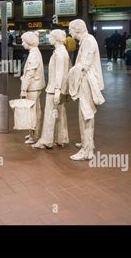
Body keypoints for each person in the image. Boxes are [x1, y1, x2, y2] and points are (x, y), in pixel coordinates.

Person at [68, 19, 105, 161]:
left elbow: (84, 65)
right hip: (85, 82)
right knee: (83, 115)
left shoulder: (89, 41)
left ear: (77, 29)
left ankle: (87, 150)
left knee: (86, 115)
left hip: (87, 83)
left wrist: (71, 73)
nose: (69, 31)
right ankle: (86, 143)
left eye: (70, 29)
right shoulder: (85, 41)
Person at [32, 29, 70, 149]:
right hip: (60, 88)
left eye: (51, 36)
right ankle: (62, 138)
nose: (49, 38)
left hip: (55, 89)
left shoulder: (59, 53)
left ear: (56, 38)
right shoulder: (63, 51)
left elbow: (60, 73)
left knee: (50, 114)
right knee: (60, 113)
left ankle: (46, 140)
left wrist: (57, 90)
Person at [20, 31, 45, 144]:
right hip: (36, 85)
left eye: (23, 41)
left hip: (33, 87)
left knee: (33, 112)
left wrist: (23, 89)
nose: (22, 43)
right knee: (36, 110)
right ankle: (33, 133)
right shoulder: (34, 52)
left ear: (28, 42)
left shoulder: (33, 54)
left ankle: (34, 136)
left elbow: (30, 73)